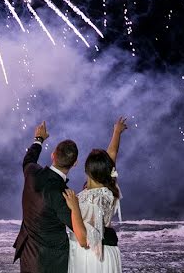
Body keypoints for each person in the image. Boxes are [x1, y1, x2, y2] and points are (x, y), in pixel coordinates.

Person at [14, 121, 89, 273]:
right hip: (51, 262)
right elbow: (80, 233)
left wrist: (39, 139)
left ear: (53, 155)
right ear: (75, 163)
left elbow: (29, 158)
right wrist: (75, 207)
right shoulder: (64, 195)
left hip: (27, 255)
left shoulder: (32, 172)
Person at [63, 117, 128, 273]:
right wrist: (116, 132)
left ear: (87, 171)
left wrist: (75, 208)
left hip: (90, 257)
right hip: (107, 254)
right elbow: (112, 153)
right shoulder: (109, 187)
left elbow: (84, 239)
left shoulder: (93, 199)